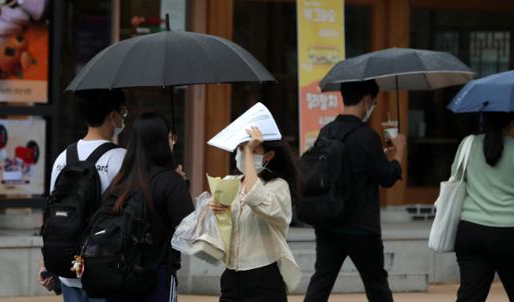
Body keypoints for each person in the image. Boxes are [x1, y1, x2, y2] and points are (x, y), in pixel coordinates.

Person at [304, 80, 406, 302]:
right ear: (367, 100)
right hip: (361, 227)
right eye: (374, 102)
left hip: (328, 221)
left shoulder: (326, 131)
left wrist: (382, 158)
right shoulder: (367, 136)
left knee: (321, 281)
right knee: (376, 285)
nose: (373, 106)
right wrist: (398, 156)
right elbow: (386, 177)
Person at [38, 89, 128, 302]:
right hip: (104, 267)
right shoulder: (121, 158)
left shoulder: (63, 158)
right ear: (113, 116)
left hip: (68, 267)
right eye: (123, 112)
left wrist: (45, 262)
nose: (124, 117)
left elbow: (52, 212)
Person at [452, 112, 514, 302]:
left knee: (469, 298)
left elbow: (456, 179)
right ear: (513, 122)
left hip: (471, 230)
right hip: (510, 234)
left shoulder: (468, 144)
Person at [105, 112, 194, 302]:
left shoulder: (119, 181)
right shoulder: (170, 181)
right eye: (171, 137)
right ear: (161, 141)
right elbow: (189, 231)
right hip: (156, 277)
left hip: (118, 276)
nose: (173, 142)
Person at [210, 126, 302, 302]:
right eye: (241, 147)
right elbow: (220, 229)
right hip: (231, 276)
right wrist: (215, 210)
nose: (244, 152)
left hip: (263, 278)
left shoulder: (278, 186)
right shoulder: (230, 182)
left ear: (268, 156)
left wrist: (249, 153)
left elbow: (255, 197)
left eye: (252, 148)